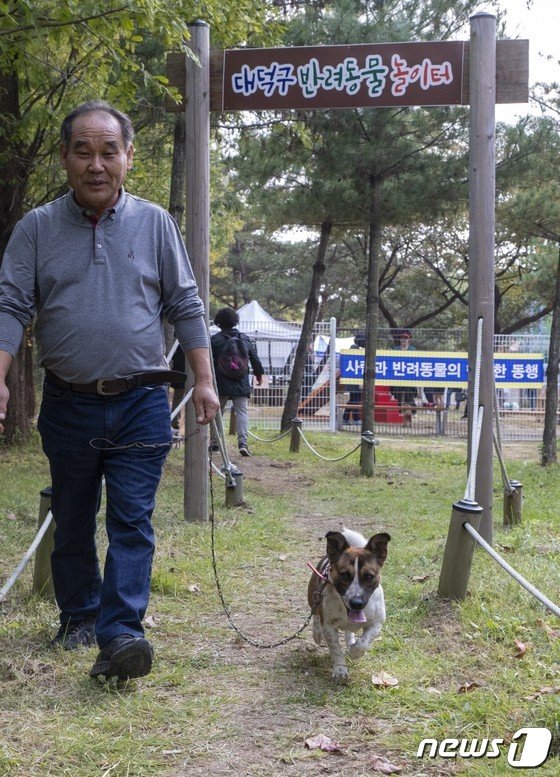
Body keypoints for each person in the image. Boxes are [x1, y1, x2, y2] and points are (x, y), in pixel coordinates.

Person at [0, 100, 219, 682]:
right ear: (65, 158)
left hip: (141, 400)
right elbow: (11, 306)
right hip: (67, 401)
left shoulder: (155, 223)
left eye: (108, 151)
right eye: (83, 151)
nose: (96, 164)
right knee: (72, 517)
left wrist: (204, 379)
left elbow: (185, 303)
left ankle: (121, 634)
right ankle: (79, 615)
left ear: (128, 157)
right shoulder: (37, 228)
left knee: (132, 520)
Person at [211, 307, 264, 457]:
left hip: (221, 381)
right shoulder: (244, 338)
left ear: (218, 322)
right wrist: (259, 374)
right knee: (242, 412)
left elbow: (209, 361)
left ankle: (215, 443)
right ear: (235, 321)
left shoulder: (215, 340)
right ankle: (243, 443)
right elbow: (254, 358)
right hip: (241, 380)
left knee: (217, 412)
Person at [390, 330, 418, 408]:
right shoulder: (396, 349)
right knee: (397, 394)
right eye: (402, 338)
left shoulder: (413, 349)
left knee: (409, 394)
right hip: (398, 375)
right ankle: (398, 410)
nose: (403, 340)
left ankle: (412, 410)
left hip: (409, 375)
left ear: (409, 339)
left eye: (405, 338)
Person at [343, 331, 365, 423]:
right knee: (355, 399)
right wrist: (360, 382)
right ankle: (353, 418)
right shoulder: (356, 351)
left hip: (353, 380)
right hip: (355, 381)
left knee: (354, 399)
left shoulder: (354, 349)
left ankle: (348, 418)